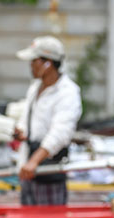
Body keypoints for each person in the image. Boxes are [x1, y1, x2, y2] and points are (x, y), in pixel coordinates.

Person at [13, 35, 82, 206]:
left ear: (47, 63)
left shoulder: (68, 92)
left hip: (48, 169)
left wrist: (34, 161)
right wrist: (21, 131)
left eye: (33, 61)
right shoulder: (35, 87)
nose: (30, 65)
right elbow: (27, 117)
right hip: (28, 166)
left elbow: (60, 133)